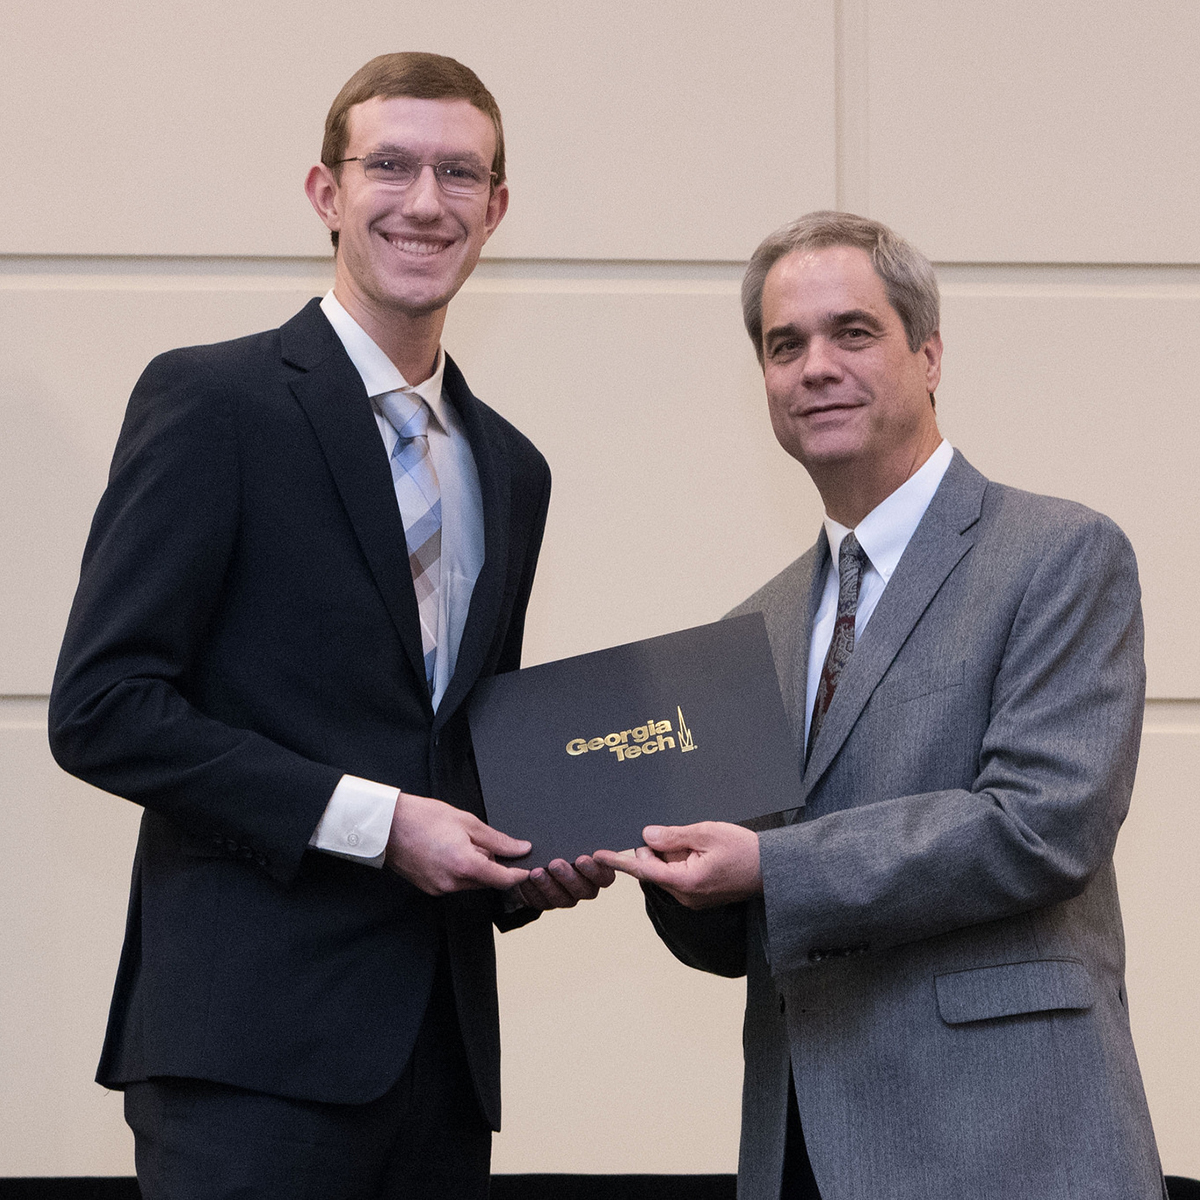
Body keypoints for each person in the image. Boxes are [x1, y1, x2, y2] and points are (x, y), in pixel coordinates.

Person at [48, 51, 613, 1200]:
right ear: (325, 192)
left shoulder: (513, 468)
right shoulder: (216, 403)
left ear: (497, 209)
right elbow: (103, 710)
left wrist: (530, 859)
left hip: (440, 1069)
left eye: (461, 174)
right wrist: (376, 823)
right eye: (391, 165)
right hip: (246, 1058)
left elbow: (460, 750)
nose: (424, 201)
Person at [596, 212, 1165, 1199]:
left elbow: (1042, 826)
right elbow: (742, 927)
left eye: (851, 332)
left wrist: (768, 862)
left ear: (930, 354)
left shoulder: (1061, 556)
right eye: (785, 346)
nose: (815, 365)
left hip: (1014, 1144)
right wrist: (649, 855)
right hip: (807, 1154)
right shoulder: (751, 634)